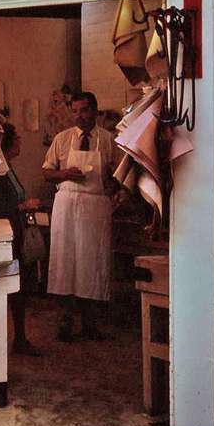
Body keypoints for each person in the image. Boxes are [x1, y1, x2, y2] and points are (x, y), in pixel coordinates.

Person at [42, 92, 123, 342]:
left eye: (84, 110)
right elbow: (46, 173)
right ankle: (64, 324)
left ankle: (91, 324)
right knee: (64, 262)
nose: (80, 116)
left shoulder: (109, 141)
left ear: (95, 111)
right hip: (67, 204)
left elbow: (121, 176)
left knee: (92, 264)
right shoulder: (62, 139)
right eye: (75, 111)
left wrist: (117, 187)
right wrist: (65, 173)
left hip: (96, 207)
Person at [0, 123, 42, 356]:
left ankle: (20, 337)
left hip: (17, 232)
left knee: (20, 289)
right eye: (17, 138)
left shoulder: (9, 168)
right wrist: (22, 206)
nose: (20, 141)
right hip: (4, 236)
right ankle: (8, 341)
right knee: (8, 289)